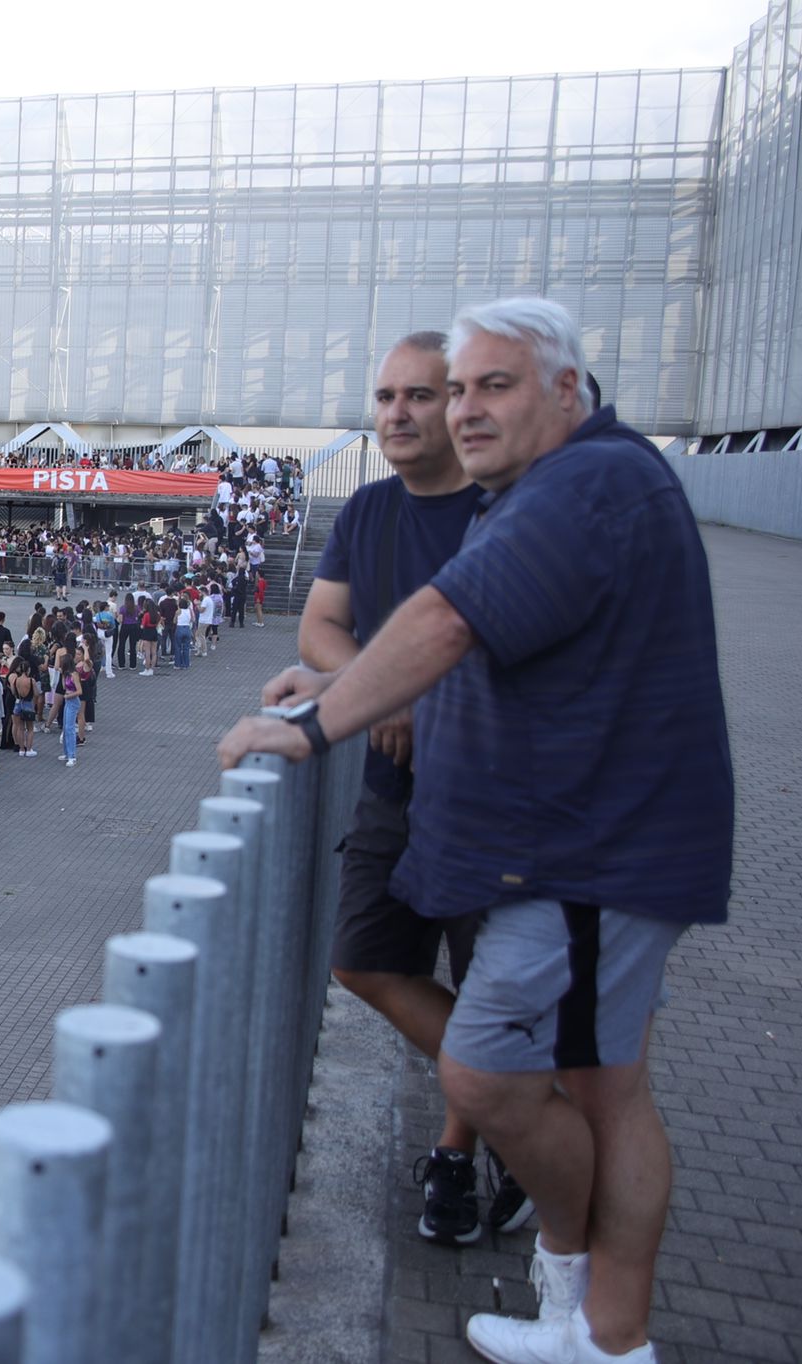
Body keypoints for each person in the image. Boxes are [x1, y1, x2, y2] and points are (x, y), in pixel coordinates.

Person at [218, 298, 732, 1364]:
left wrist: (311, 724)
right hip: (594, 840)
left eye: (488, 385)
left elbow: (447, 620)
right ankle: (596, 1321)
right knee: (601, 1087)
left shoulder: (585, 482)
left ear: (563, 390)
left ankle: (588, 1299)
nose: (462, 409)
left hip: (588, 848)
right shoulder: (578, 479)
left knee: (490, 1072)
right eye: (455, 389)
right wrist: (344, 676)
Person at [302, 328, 519, 1248]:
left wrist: (409, 693)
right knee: (362, 957)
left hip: (495, 801)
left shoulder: (507, 509)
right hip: (395, 789)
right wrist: (369, 688)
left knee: (487, 981)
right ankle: (524, 1109)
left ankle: (464, 1150)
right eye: (385, 397)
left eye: (417, 396)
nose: (396, 414)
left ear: (460, 403)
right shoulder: (369, 509)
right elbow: (318, 628)